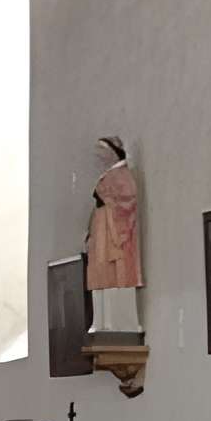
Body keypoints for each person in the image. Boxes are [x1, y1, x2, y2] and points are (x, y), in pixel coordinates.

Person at [85, 135, 142, 336]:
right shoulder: (107, 176)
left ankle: (118, 324)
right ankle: (101, 322)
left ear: (113, 152)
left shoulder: (123, 175)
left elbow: (128, 202)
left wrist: (108, 200)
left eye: (103, 153)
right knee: (100, 274)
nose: (100, 158)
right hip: (102, 236)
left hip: (114, 236)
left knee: (116, 275)